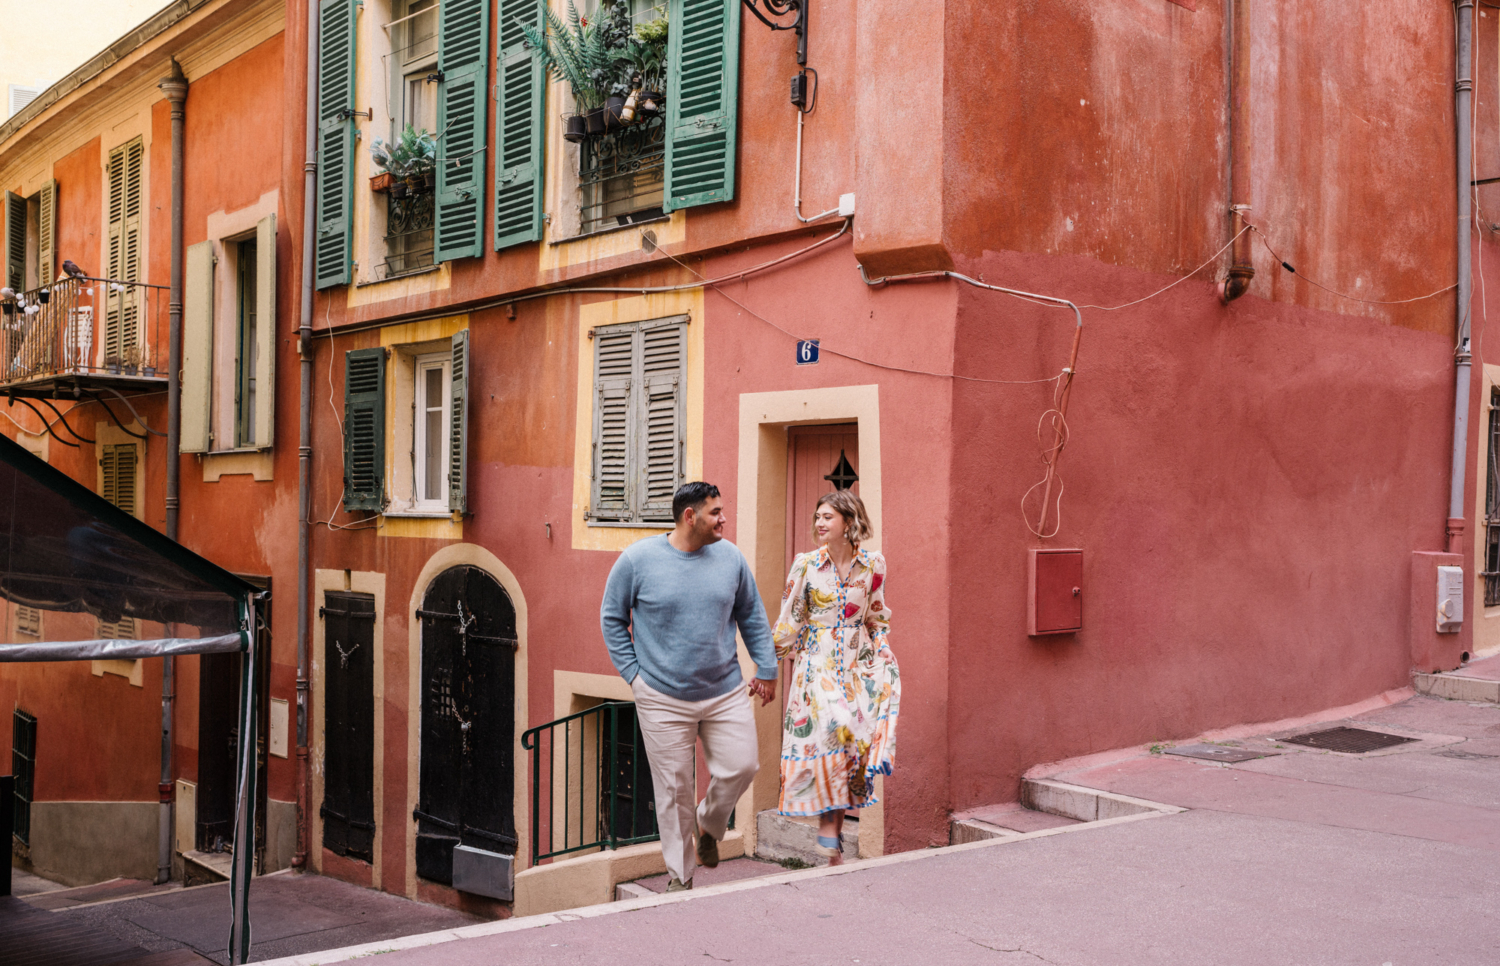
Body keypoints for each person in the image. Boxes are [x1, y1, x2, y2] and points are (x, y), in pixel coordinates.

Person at [600, 481, 779, 891]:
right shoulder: (637, 560)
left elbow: (751, 614)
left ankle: (710, 823)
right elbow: (612, 618)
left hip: (725, 689)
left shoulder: (730, 557)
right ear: (689, 516)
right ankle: (681, 877)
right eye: (716, 512)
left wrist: (766, 667)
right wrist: (635, 677)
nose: (724, 518)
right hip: (661, 697)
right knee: (674, 792)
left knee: (743, 764)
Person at [773, 489, 900, 866]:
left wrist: (883, 646)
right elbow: (789, 619)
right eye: (817, 517)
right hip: (817, 662)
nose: (819, 523)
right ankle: (828, 830)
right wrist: (767, 668)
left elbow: (876, 615)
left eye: (827, 516)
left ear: (849, 521)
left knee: (854, 741)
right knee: (836, 725)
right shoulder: (807, 564)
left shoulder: (873, 565)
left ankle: (833, 834)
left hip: (858, 663)